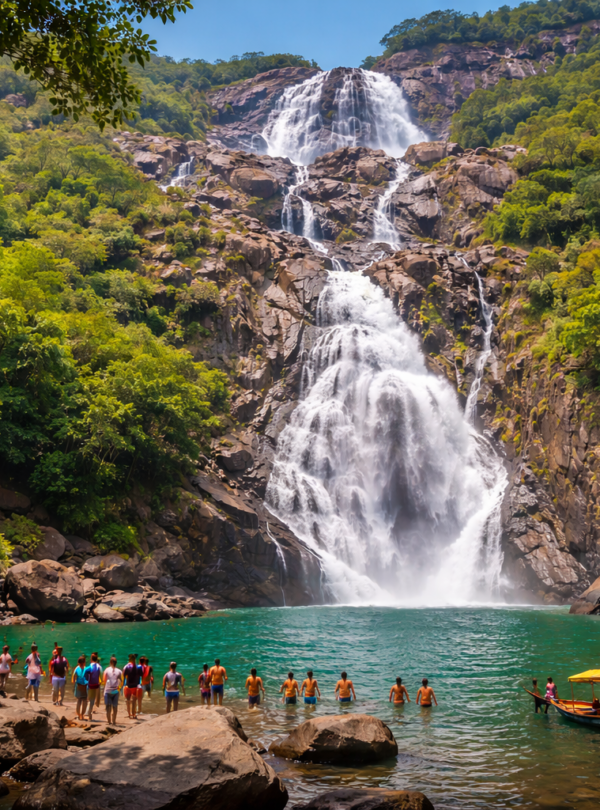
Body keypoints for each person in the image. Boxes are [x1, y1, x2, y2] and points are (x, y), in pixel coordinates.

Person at [122, 654, 143, 720]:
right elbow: (141, 675)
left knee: (128, 700)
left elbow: (123, 676)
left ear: (129, 659)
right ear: (135, 659)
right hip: (135, 685)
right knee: (134, 700)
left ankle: (129, 714)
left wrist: (123, 685)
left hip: (128, 685)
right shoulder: (138, 667)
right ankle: (133, 714)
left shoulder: (126, 667)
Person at [103, 656, 123, 725]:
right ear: (116, 663)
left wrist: (108, 684)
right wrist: (119, 687)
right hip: (115, 691)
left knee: (108, 707)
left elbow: (104, 680)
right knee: (115, 707)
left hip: (108, 691)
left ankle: (109, 721)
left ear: (110, 662)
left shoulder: (106, 670)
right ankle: (114, 721)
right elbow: (122, 680)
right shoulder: (119, 671)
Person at [84, 653, 103, 720]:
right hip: (95, 685)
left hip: (89, 685)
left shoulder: (89, 667)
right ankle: (89, 714)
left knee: (86, 699)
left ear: (91, 659)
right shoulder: (99, 667)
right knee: (92, 700)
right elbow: (100, 677)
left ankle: (85, 712)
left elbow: (84, 674)